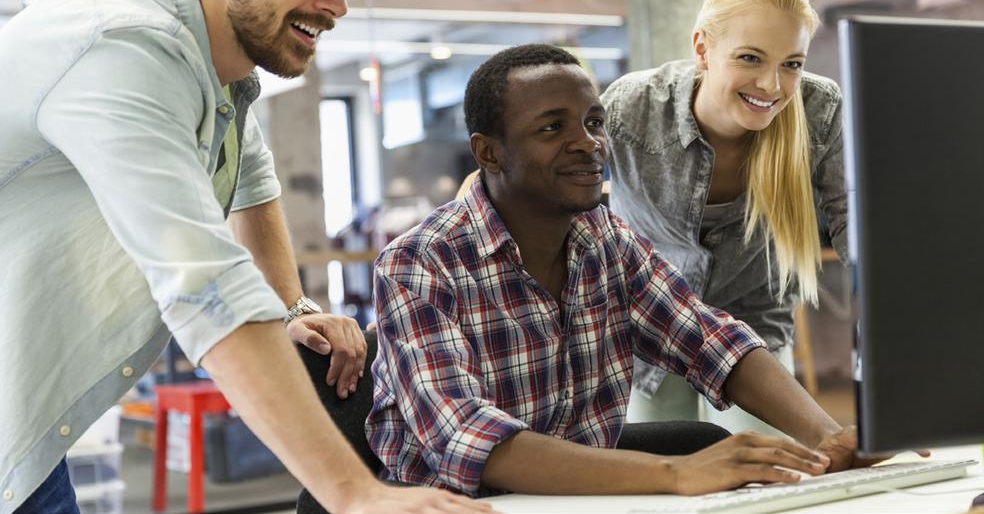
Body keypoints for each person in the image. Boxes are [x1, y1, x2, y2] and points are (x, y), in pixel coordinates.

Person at [0, 0, 488, 513]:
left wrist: (292, 310)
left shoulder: (217, 64)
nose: (337, 2)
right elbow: (205, 285)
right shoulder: (125, 46)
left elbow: (253, 187)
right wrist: (355, 494)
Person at [365, 44, 878, 498]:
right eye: (552, 128)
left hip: (587, 502)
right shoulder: (420, 263)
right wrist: (675, 474)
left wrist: (827, 439)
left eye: (593, 122)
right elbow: (470, 440)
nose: (588, 143)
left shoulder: (605, 239)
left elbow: (709, 341)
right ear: (489, 152)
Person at [601, 0, 848, 433]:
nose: (772, 86)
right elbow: (557, 192)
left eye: (791, 64)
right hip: (651, 327)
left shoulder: (818, 109)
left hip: (754, 324)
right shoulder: (630, 110)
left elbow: (854, 219)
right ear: (703, 49)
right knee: (661, 487)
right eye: (750, 58)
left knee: (776, 485)